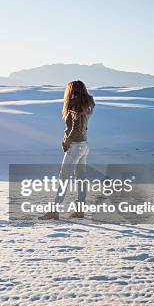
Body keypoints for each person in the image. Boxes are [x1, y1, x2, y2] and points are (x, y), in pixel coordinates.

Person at [40, 80, 95, 220]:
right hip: (84, 145)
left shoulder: (75, 105)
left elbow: (76, 129)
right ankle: (80, 210)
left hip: (75, 146)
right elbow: (83, 128)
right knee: (81, 179)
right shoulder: (87, 105)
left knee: (63, 179)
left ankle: (54, 211)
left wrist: (66, 142)